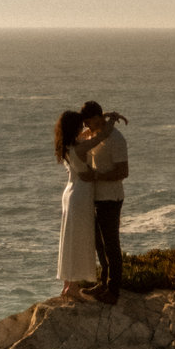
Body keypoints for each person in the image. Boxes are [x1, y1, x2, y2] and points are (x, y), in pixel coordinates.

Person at [52, 110, 119, 300]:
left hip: (70, 193)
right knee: (79, 241)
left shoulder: (67, 144)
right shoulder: (80, 147)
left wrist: (100, 115)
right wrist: (111, 119)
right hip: (80, 196)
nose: (84, 127)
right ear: (75, 127)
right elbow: (103, 135)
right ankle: (72, 287)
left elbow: (89, 134)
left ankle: (67, 284)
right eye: (81, 124)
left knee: (69, 240)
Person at [79, 100, 128, 305]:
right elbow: (80, 136)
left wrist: (96, 176)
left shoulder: (116, 139)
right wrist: (106, 116)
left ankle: (114, 290)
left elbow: (123, 172)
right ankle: (104, 282)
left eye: (89, 122)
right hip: (96, 197)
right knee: (99, 244)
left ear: (97, 118)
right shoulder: (94, 134)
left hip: (111, 197)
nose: (86, 127)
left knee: (111, 245)